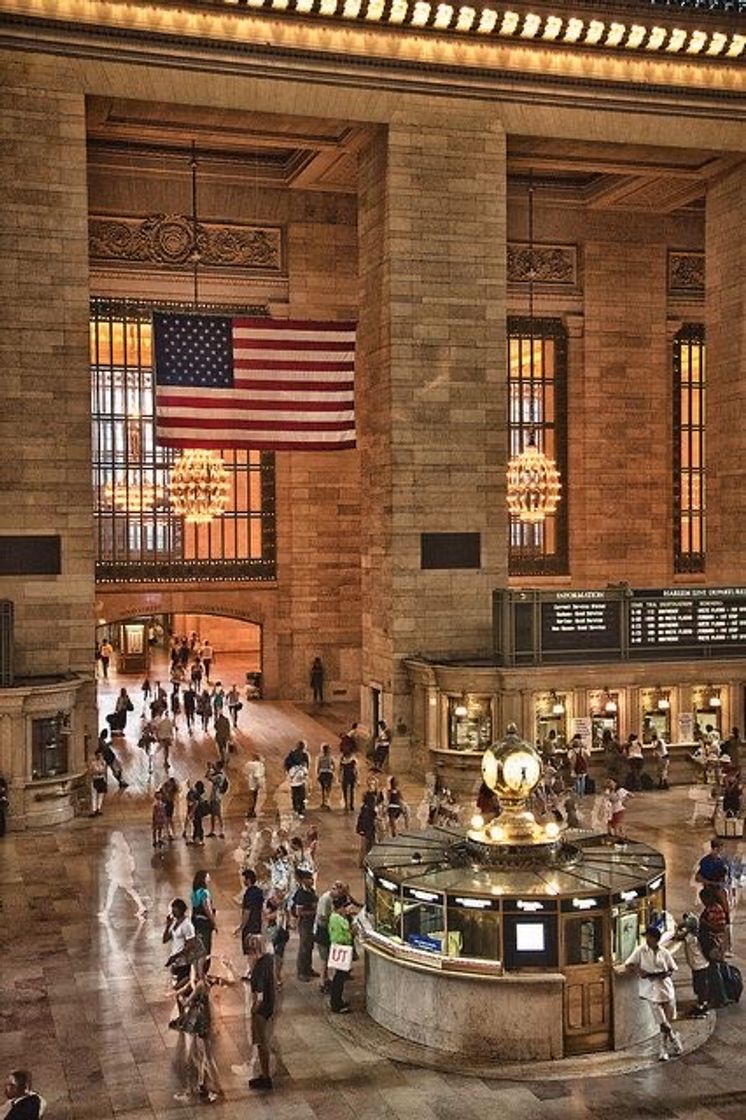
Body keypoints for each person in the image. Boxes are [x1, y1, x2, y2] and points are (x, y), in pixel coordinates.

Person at [618, 925, 682, 1061]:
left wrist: (664, 974)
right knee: (662, 1022)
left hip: (665, 988)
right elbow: (629, 963)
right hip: (651, 991)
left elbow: (672, 968)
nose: (647, 940)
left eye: (649, 937)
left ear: (655, 939)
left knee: (666, 1021)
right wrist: (639, 971)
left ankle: (664, 1047)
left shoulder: (664, 952)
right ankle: (673, 1040)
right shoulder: (641, 951)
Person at [245, 937, 276, 1091]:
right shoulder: (268, 960)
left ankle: (265, 1077)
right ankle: (265, 1075)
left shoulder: (259, 969)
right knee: (263, 1041)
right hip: (270, 1007)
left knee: (261, 1042)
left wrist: (253, 1010)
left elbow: (260, 995)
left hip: (261, 1011)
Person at [98, 831, 147, 920]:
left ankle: (106, 911)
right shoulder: (122, 848)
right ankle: (141, 906)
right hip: (121, 875)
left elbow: (117, 862)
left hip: (119, 875)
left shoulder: (119, 849)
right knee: (123, 891)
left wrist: (111, 867)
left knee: (118, 891)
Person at [163, 898, 197, 997]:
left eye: (174, 909)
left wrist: (176, 956)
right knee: (177, 989)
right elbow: (165, 939)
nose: (172, 911)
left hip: (184, 962)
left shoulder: (187, 925)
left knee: (181, 990)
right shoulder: (174, 922)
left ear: (181, 910)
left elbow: (191, 944)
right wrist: (167, 925)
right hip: (175, 962)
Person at [291, 868, 319, 982]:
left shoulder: (310, 891)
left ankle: (308, 968)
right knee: (304, 947)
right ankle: (301, 972)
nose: (312, 881)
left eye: (312, 878)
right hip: (305, 924)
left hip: (312, 923)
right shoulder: (301, 894)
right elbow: (299, 912)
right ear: (303, 880)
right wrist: (314, 912)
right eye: (309, 879)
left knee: (309, 946)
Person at [328, 894, 354, 1014]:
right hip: (341, 948)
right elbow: (348, 932)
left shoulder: (334, 916)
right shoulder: (338, 919)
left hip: (338, 948)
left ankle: (338, 1001)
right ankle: (336, 1005)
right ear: (341, 908)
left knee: (339, 977)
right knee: (339, 978)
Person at [237, 868, 265, 977]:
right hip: (257, 924)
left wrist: (241, 927)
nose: (242, 881)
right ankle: (251, 971)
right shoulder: (259, 891)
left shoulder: (248, 894)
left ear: (248, 880)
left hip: (249, 926)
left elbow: (246, 912)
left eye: (244, 879)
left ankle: (253, 973)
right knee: (256, 949)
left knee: (250, 951)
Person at [191, 869, 218, 973]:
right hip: (205, 924)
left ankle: (198, 972)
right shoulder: (205, 893)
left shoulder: (194, 893)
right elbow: (208, 909)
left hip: (197, 923)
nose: (209, 879)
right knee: (206, 949)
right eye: (207, 877)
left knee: (199, 948)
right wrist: (214, 923)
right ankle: (203, 973)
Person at [206, 760, 229, 839]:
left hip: (216, 797)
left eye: (215, 765)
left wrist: (209, 769)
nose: (214, 766)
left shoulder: (219, 776)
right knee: (213, 814)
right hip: (214, 796)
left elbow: (209, 778)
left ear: (218, 766)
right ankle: (213, 830)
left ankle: (221, 831)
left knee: (218, 814)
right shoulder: (219, 774)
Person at [356, 790, 378, 866]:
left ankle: (362, 862)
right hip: (368, 831)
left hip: (365, 831)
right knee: (366, 847)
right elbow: (367, 820)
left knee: (364, 847)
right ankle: (363, 863)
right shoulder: (369, 810)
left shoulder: (364, 808)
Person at [244, 751, 266, 820]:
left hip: (250, 782)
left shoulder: (249, 764)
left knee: (252, 797)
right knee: (254, 798)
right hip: (255, 783)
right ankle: (251, 811)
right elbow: (258, 775)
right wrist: (261, 784)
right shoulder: (259, 765)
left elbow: (245, 771)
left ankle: (250, 811)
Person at [288, 753, 309, 819]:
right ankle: (301, 810)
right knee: (301, 797)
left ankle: (295, 809)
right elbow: (305, 775)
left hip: (293, 785)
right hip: (301, 784)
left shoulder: (292, 769)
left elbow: (290, 776)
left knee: (295, 797)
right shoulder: (303, 768)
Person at [317, 742, 335, 811]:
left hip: (322, 773)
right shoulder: (330, 757)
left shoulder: (320, 757)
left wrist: (318, 774)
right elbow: (333, 765)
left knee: (323, 789)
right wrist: (333, 771)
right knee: (328, 789)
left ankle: (323, 802)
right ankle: (327, 802)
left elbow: (318, 767)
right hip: (328, 773)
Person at [88, 751, 108, 816]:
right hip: (95, 779)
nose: (99, 757)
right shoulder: (93, 763)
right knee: (94, 795)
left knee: (100, 795)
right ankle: (93, 810)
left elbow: (105, 772)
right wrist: (96, 772)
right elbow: (90, 772)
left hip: (101, 779)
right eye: (98, 755)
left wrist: (106, 780)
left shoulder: (103, 763)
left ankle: (98, 808)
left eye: (101, 755)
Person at [339, 746, 358, 812]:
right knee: (351, 791)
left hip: (346, 776)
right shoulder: (353, 760)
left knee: (345, 791)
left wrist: (339, 777)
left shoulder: (343, 759)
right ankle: (350, 804)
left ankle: (347, 804)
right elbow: (355, 770)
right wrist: (357, 778)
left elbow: (340, 769)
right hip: (351, 776)